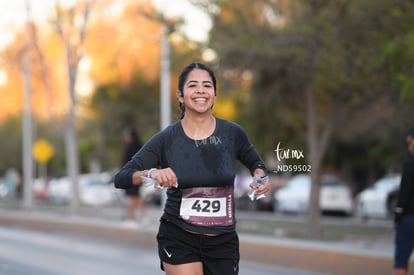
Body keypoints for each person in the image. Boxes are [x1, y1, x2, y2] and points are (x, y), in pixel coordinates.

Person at [114, 62, 270, 275]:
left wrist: (260, 180)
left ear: (214, 94)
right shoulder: (167, 139)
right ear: (180, 95)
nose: (200, 91)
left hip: (223, 241)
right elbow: (121, 177)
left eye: (207, 85)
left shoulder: (233, 133)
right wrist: (151, 173)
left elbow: (257, 165)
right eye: (193, 85)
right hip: (179, 236)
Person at [393, 131, 414, 275]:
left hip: (409, 218)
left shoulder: (410, 165)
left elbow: (404, 194)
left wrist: (397, 216)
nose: (410, 147)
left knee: (401, 260)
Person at [121, 128, 147, 228]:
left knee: (131, 197)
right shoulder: (141, 146)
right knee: (137, 197)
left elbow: (125, 162)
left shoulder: (129, 147)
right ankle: (144, 218)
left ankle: (132, 220)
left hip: (130, 175)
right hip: (139, 175)